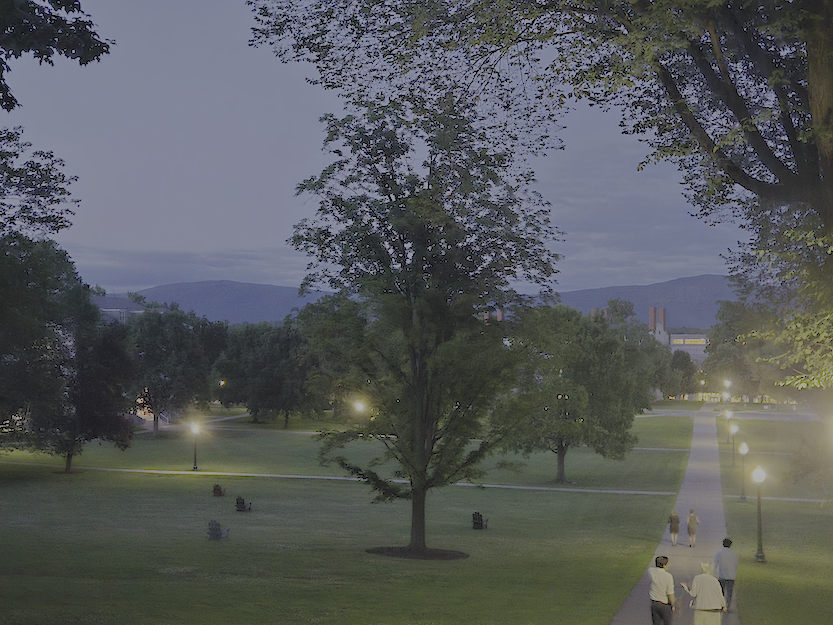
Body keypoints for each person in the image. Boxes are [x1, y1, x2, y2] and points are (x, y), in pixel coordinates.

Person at [648, 555, 676, 625]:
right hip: (665, 605)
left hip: (655, 603)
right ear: (664, 565)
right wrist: (673, 604)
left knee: (656, 623)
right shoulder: (668, 576)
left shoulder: (651, 571)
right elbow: (670, 593)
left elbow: (651, 569)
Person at [713, 538, 739, 610]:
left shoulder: (719, 553)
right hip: (731, 576)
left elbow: (715, 564)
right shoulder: (733, 554)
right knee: (729, 591)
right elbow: (736, 563)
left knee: (721, 591)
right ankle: (728, 605)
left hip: (722, 575)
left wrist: (713, 572)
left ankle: (721, 604)